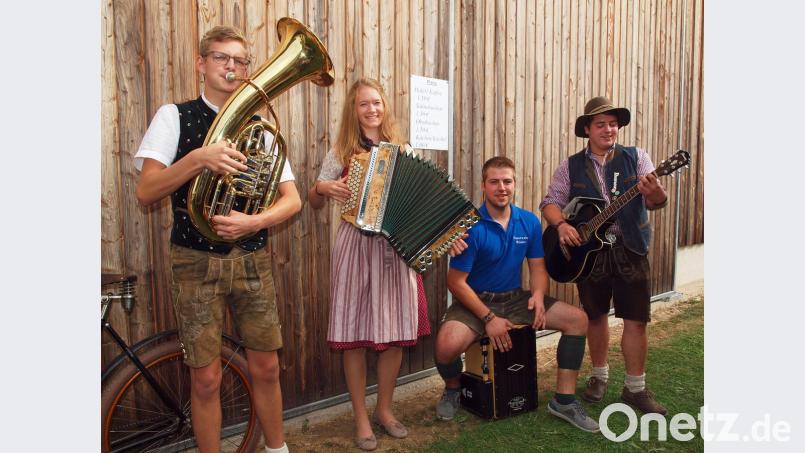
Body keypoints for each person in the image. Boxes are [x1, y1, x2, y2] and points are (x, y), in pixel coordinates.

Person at [134, 26, 299, 453]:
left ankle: (276, 449)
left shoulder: (260, 129)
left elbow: (293, 201)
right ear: (201, 63)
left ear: (247, 70)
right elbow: (146, 191)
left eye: (240, 61)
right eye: (221, 58)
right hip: (195, 260)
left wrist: (253, 222)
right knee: (205, 378)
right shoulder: (174, 116)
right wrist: (197, 159)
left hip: (251, 259)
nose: (231, 67)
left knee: (266, 367)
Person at [433, 156, 599, 433]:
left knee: (578, 320)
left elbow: (537, 267)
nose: (502, 187)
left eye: (507, 181)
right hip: (475, 301)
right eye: (494, 182)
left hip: (514, 298)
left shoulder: (529, 222)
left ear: (515, 184)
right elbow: (456, 282)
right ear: (483, 185)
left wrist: (538, 295)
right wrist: (488, 318)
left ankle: (564, 401)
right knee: (445, 347)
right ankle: (453, 389)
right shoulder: (469, 225)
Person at [308, 78, 430, 451]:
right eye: (364, 104)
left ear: (385, 107)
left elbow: (420, 198)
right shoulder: (341, 152)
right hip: (356, 248)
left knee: (394, 331)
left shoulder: (404, 149)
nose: (372, 109)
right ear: (354, 110)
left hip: (394, 250)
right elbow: (313, 201)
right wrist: (321, 189)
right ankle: (361, 417)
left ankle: (385, 410)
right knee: (353, 337)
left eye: (376, 102)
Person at [539, 96, 669, 415]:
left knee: (636, 320)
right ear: (588, 129)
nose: (609, 129)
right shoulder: (570, 166)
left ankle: (635, 388)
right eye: (601, 124)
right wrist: (561, 226)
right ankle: (599, 377)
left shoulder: (637, 157)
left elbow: (657, 201)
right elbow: (550, 202)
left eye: (613, 124)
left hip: (630, 248)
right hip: (590, 255)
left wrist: (655, 192)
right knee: (595, 316)